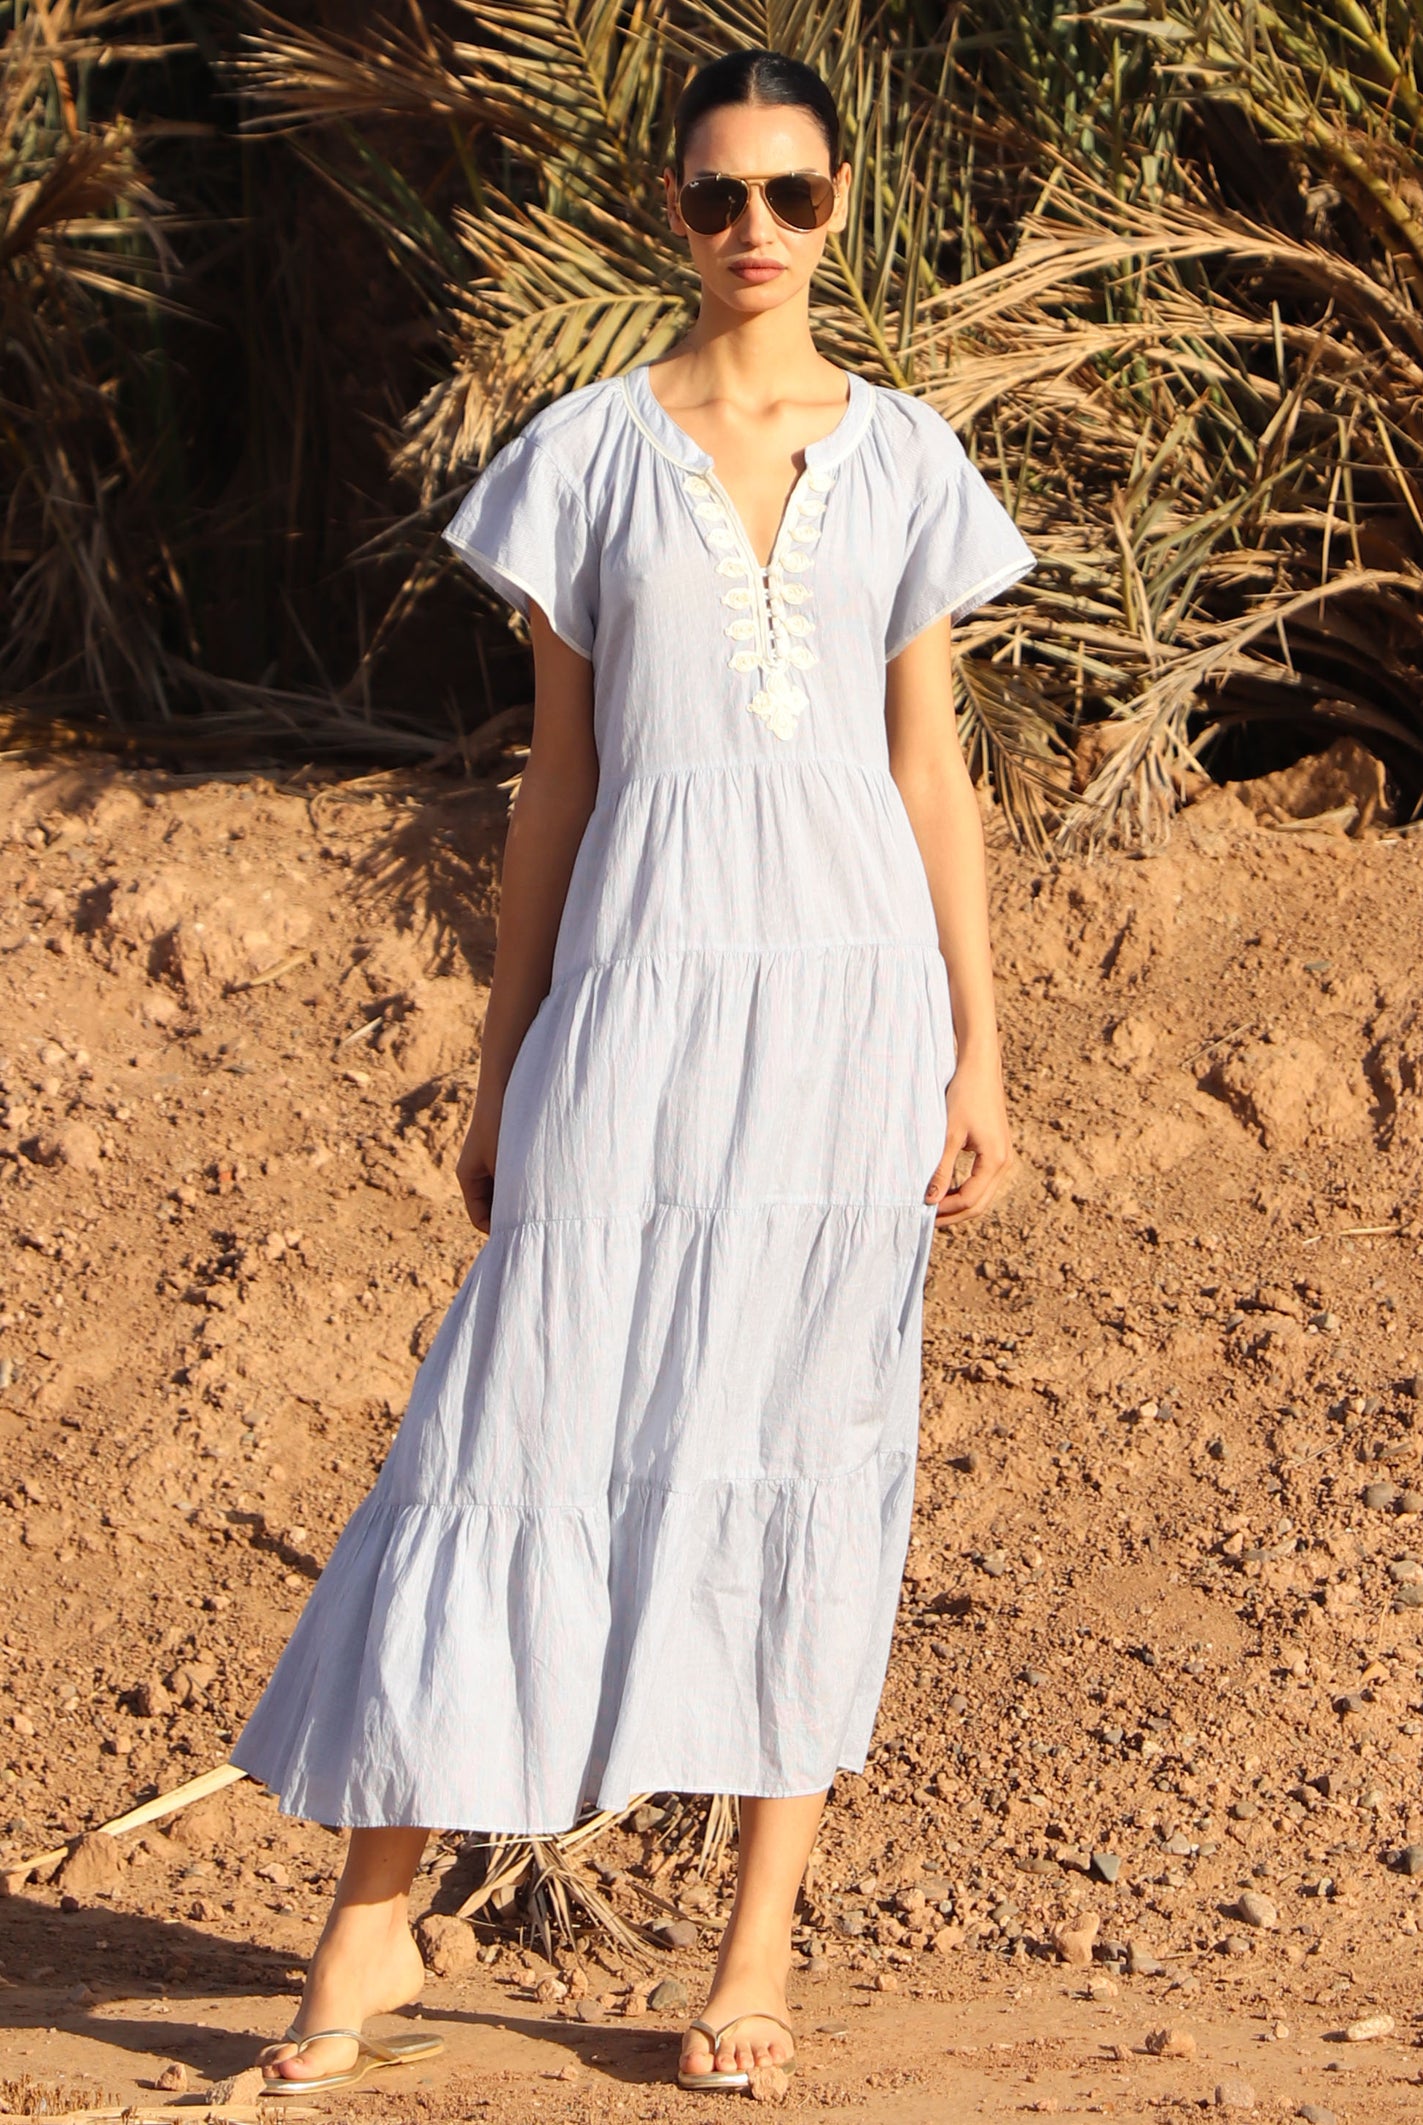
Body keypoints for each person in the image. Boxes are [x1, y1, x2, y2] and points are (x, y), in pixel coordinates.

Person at [233, 44, 1035, 2099]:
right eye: (715, 196)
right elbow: (553, 786)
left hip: (850, 1020)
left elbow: (927, 772)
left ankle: (751, 1951)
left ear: (840, 207)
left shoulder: (909, 458)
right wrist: (504, 1069)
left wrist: (979, 1051)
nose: (751, 231)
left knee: (806, 1448)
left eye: (788, 194)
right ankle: (373, 1917)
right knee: (511, 1424)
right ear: (665, 211)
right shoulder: (585, 453)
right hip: (636, 1003)